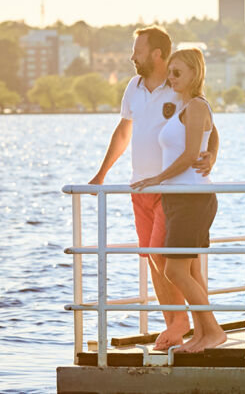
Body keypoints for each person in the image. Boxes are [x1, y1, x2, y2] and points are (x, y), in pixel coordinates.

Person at [88, 25, 218, 352]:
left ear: (156, 53)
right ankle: (178, 322)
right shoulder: (133, 87)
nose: (132, 56)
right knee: (151, 256)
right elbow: (124, 132)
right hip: (139, 188)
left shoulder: (179, 87)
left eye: (138, 50)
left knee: (170, 259)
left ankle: (187, 324)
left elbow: (209, 128)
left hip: (170, 189)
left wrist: (212, 154)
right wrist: (101, 174)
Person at [131, 47, 226, 353]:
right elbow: (211, 134)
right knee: (190, 270)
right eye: (170, 72)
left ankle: (213, 331)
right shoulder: (184, 105)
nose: (170, 78)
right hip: (177, 199)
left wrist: (159, 178)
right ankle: (200, 335)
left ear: (194, 75)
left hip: (192, 199)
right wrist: (211, 151)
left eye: (177, 73)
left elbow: (188, 155)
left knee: (174, 270)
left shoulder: (197, 105)